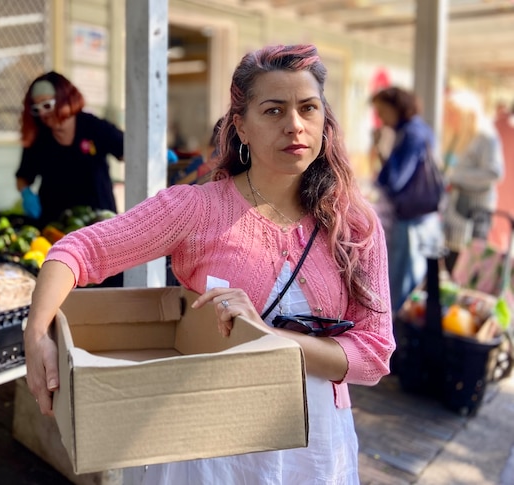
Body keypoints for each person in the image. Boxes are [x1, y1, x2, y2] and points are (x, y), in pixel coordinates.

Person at [24, 44, 394, 484]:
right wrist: (36, 333)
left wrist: (267, 337)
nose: (294, 125)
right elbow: (76, 251)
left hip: (310, 447)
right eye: (273, 111)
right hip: (203, 446)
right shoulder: (195, 209)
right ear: (241, 126)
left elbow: (373, 355)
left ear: (323, 121)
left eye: (308, 108)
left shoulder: (352, 224)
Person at [15, 71, 124, 226]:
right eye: (37, 109)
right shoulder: (40, 138)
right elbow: (23, 176)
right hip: (55, 226)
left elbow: (126, 150)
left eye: (47, 105)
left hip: (99, 223)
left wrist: (152, 154)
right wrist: (26, 194)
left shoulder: (94, 127)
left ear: (66, 100)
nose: (43, 114)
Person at [370, 86, 443, 313]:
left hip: (412, 221)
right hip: (425, 218)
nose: (380, 117)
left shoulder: (411, 134)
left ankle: (397, 344)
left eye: (382, 111)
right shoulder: (419, 129)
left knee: (402, 287)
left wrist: (382, 147)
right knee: (416, 284)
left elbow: (394, 181)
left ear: (396, 107)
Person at [441, 89, 504, 271]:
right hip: (454, 211)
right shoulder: (456, 135)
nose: (448, 117)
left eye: (452, 113)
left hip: (474, 211)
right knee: (451, 264)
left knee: (468, 266)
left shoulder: (485, 137)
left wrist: (456, 177)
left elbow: (494, 173)